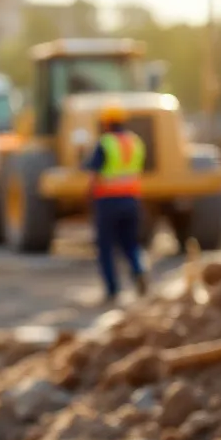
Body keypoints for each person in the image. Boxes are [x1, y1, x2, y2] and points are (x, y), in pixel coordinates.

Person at [83, 103, 149, 304]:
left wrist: (88, 195)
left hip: (108, 202)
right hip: (132, 200)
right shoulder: (135, 142)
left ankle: (112, 290)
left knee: (106, 247)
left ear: (106, 122)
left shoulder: (106, 143)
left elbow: (94, 173)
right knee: (130, 243)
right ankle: (139, 270)